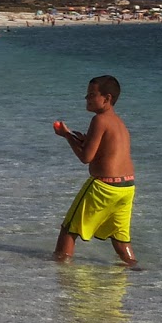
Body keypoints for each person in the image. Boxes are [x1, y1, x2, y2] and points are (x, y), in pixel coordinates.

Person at [53, 75, 138, 268]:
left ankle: (61, 270)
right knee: (120, 236)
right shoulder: (119, 123)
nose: (87, 98)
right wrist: (82, 140)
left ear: (107, 98)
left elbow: (86, 158)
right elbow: (107, 151)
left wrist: (66, 135)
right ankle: (133, 267)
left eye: (92, 95)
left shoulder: (99, 120)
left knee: (69, 229)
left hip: (104, 186)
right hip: (126, 187)